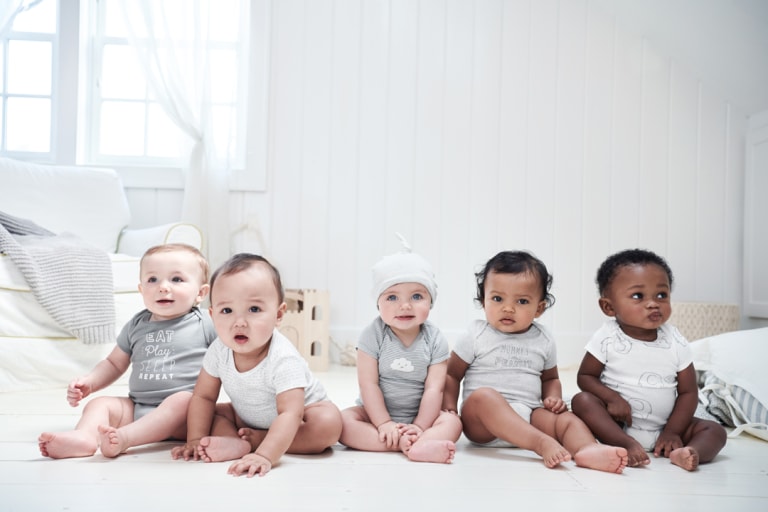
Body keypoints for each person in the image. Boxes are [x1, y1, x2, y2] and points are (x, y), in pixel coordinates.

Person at [443, 250, 628, 473]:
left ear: (539, 308)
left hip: (530, 415)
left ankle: (587, 450)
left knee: (567, 420)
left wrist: (553, 397)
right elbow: (452, 375)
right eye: (497, 298)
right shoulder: (476, 334)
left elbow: (550, 378)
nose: (508, 308)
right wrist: (449, 409)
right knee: (483, 396)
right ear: (483, 300)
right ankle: (541, 444)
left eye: (521, 301)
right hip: (483, 425)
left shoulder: (543, 338)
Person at [170, 253, 342, 477]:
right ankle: (233, 441)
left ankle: (256, 442)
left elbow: (290, 412)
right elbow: (204, 396)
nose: (239, 322)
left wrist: (265, 455)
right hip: (246, 415)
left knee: (328, 424)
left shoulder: (282, 357)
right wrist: (194, 438)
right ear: (212, 315)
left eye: (254, 310)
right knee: (198, 411)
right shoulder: (218, 350)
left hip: (300, 418)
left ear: (278, 315)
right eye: (227, 311)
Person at [38, 243, 216, 459]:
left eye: (176, 279)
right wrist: (90, 382)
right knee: (100, 404)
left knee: (182, 399)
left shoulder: (205, 323)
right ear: (141, 289)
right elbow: (114, 363)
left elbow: (230, 357)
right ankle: (84, 438)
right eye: (153, 279)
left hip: (187, 416)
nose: (163, 287)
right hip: (138, 408)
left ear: (201, 293)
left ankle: (124, 439)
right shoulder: (136, 324)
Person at [571, 249, 727, 471]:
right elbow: (585, 376)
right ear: (609, 307)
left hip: (666, 425)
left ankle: (688, 453)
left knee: (715, 431)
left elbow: (688, 392)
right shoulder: (607, 336)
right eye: (638, 296)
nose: (653, 304)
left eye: (661, 295)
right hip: (618, 423)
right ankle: (624, 443)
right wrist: (611, 398)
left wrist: (673, 431)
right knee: (582, 401)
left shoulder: (675, 340)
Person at [338, 243, 463, 464]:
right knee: (343, 422)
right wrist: (384, 423)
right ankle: (409, 445)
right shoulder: (372, 335)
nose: (405, 306)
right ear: (378, 303)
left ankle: (417, 439)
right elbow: (369, 385)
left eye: (416, 297)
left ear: (430, 301)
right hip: (375, 414)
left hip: (422, 414)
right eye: (392, 298)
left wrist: (420, 426)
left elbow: (434, 388)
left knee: (453, 423)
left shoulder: (435, 339)